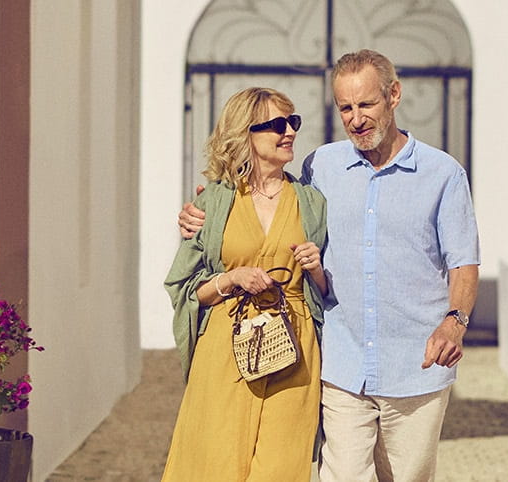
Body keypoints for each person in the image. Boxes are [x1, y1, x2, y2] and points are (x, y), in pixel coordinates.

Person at [178, 49, 480, 481]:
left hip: (416, 366)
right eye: (346, 107)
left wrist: (455, 322)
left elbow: (464, 265)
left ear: (393, 95)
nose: (356, 118)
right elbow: (263, 202)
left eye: (366, 104)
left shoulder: (443, 174)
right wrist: (202, 211)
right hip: (342, 362)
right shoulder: (320, 167)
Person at [163, 87, 329, 481]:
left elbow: (327, 292)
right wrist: (230, 278)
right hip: (225, 347)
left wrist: (317, 268)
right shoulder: (214, 202)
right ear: (245, 134)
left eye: (293, 122)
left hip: (296, 347)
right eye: (275, 124)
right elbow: (185, 287)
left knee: (280, 466)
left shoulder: (312, 202)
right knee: (216, 463)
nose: (289, 131)